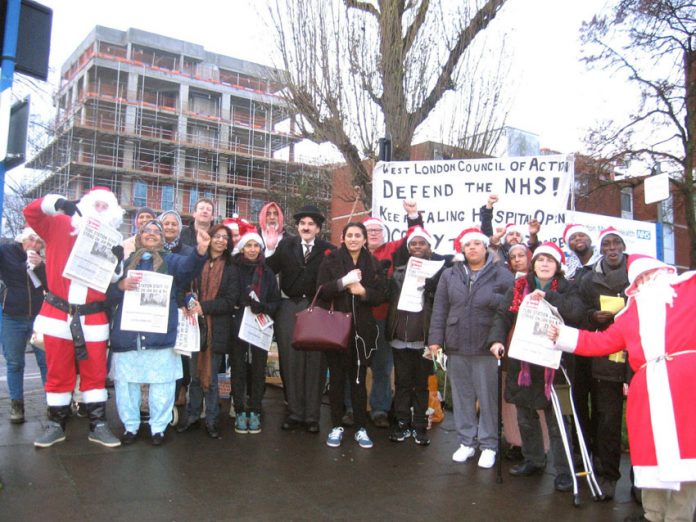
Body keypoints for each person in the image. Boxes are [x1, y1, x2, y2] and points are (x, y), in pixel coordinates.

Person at [548, 254, 696, 522]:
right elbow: (602, 342)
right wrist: (563, 336)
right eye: (640, 278)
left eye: (651, 274)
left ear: (666, 271)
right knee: (649, 457)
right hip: (648, 389)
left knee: (689, 456)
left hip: (686, 387)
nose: (647, 281)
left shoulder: (690, 289)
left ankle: (679, 517)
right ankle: (653, 515)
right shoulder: (631, 314)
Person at [24, 187, 125, 448]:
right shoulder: (59, 224)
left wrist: (118, 262)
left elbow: (113, 279)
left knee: (95, 374)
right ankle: (56, 425)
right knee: (58, 371)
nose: (100, 209)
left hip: (92, 317)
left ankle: (98, 425)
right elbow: (30, 213)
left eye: (106, 206)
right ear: (86, 205)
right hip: (58, 314)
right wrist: (54, 202)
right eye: (97, 205)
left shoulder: (112, 239)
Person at [488, 242, 585, 493]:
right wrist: (497, 340)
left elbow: (577, 314)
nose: (544, 264)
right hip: (525, 363)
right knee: (525, 415)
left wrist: (550, 297)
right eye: (540, 260)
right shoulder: (520, 286)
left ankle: (564, 471)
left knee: (558, 421)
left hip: (556, 366)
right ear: (534, 264)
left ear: (557, 266)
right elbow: (502, 315)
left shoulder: (567, 287)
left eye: (549, 260)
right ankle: (534, 460)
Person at [109, 221, 209, 446]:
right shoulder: (126, 263)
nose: (152, 235)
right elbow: (108, 295)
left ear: (163, 239)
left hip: (160, 335)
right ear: (140, 235)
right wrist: (120, 287)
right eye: (148, 231)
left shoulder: (171, 262)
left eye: (157, 232)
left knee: (162, 383)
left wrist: (201, 250)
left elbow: (189, 266)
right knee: (126, 384)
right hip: (129, 335)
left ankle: (158, 428)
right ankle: (131, 426)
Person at [428, 227, 514, 469]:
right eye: (468, 245)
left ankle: (489, 445)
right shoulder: (450, 274)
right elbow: (440, 308)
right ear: (462, 249)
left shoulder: (502, 274)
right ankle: (467, 441)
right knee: (462, 396)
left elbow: (508, 308)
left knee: (488, 398)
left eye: (477, 243)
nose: (473, 248)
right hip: (456, 344)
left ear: (485, 247)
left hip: (486, 344)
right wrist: (435, 339)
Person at [266, 205, 335, 433]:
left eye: (311, 224)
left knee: (315, 363)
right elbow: (267, 270)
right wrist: (268, 249)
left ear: (318, 228)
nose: (306, 227)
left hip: (316, 309)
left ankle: (312, 416)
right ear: (297, 226)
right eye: (302, 223)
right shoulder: (285, 245)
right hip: (289, 308)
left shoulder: (329, 250)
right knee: (290, 361)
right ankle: (294, 413)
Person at [317, 222, 386, 449]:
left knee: (358, 380)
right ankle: (336, 425)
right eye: (350, 235)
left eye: (358, 235)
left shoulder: (373, 263)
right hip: (336, 328)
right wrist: (343, 282)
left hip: (362, 330)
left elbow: (381, 295)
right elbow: (323, 291)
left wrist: (363, 291)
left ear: (365, 240)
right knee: (336, 379)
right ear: (343, 238)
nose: (354, 239)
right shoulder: (331, 260)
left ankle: (360, 427)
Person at [576, 226, 631, 500]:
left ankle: (641, 483)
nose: (612, 248)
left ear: (623, 246)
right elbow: (580, 308)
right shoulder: (589, 279)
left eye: (616, 243)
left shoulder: (638, 273)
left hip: (636, 358)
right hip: (606, 357)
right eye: (607, 244)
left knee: (637, 423)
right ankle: (609, 477)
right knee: (608, 421)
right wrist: (591, 317)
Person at [386, 226, 450, 446]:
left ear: (429, 247)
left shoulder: (439, 273)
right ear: (408, 248)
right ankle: (403, 422)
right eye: (413, 243)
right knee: (402, 383)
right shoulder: (398, 272)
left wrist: (429, 283)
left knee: (422, 385)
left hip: (424, 339)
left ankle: (420, 425)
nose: (417, 247)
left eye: (422, 243)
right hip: (400, 337)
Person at [362, 199, 422, 428]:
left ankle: (379, 409)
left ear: (384, 234)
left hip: (383, 317)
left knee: (382, 367)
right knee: (355, 365)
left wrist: (413, 214)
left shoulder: (393, 250)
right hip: (358, 317)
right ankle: (351, 407)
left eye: (377, 230)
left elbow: (413, 238)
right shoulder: (353, 251)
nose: (373, 234)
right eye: (369, 231)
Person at [177, 224, 238, 439]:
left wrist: (205, 307)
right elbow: (182, 286)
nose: (221, 240)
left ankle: (212, 421)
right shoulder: (196, 261)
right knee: (194, 376)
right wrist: (185, 302)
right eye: (217, 236)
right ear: (209, 238)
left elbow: (231, 301)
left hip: (216, 329)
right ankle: (193, 416)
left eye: (225, 237)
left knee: (211, 379)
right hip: (193, 327)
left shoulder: (231, 267)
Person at [230, 230, 281, 434]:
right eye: (248, 245)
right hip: (238, 324)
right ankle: (240, 409)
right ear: (242, 248)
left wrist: (264, 307)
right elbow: (228, 292)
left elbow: (276, 301)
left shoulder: (267, 272)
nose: (252, 249)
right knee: (238, 368)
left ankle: (256, 410)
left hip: (260, 324)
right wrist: (240, 302)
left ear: (261, 249)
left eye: (256, 245)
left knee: (259, 368)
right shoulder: (233, 269)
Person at [0, 227, 48, 423]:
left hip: (39, 318)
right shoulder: (6, 251)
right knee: (14, 363)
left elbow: (50, 286)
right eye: (31, 240)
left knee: (45, 362)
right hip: (12, 316)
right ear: (22, 239)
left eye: (39, 242)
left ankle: (52, 404)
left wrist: (41, 266)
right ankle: (16, 404)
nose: (34, 245)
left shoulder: (42, 259)